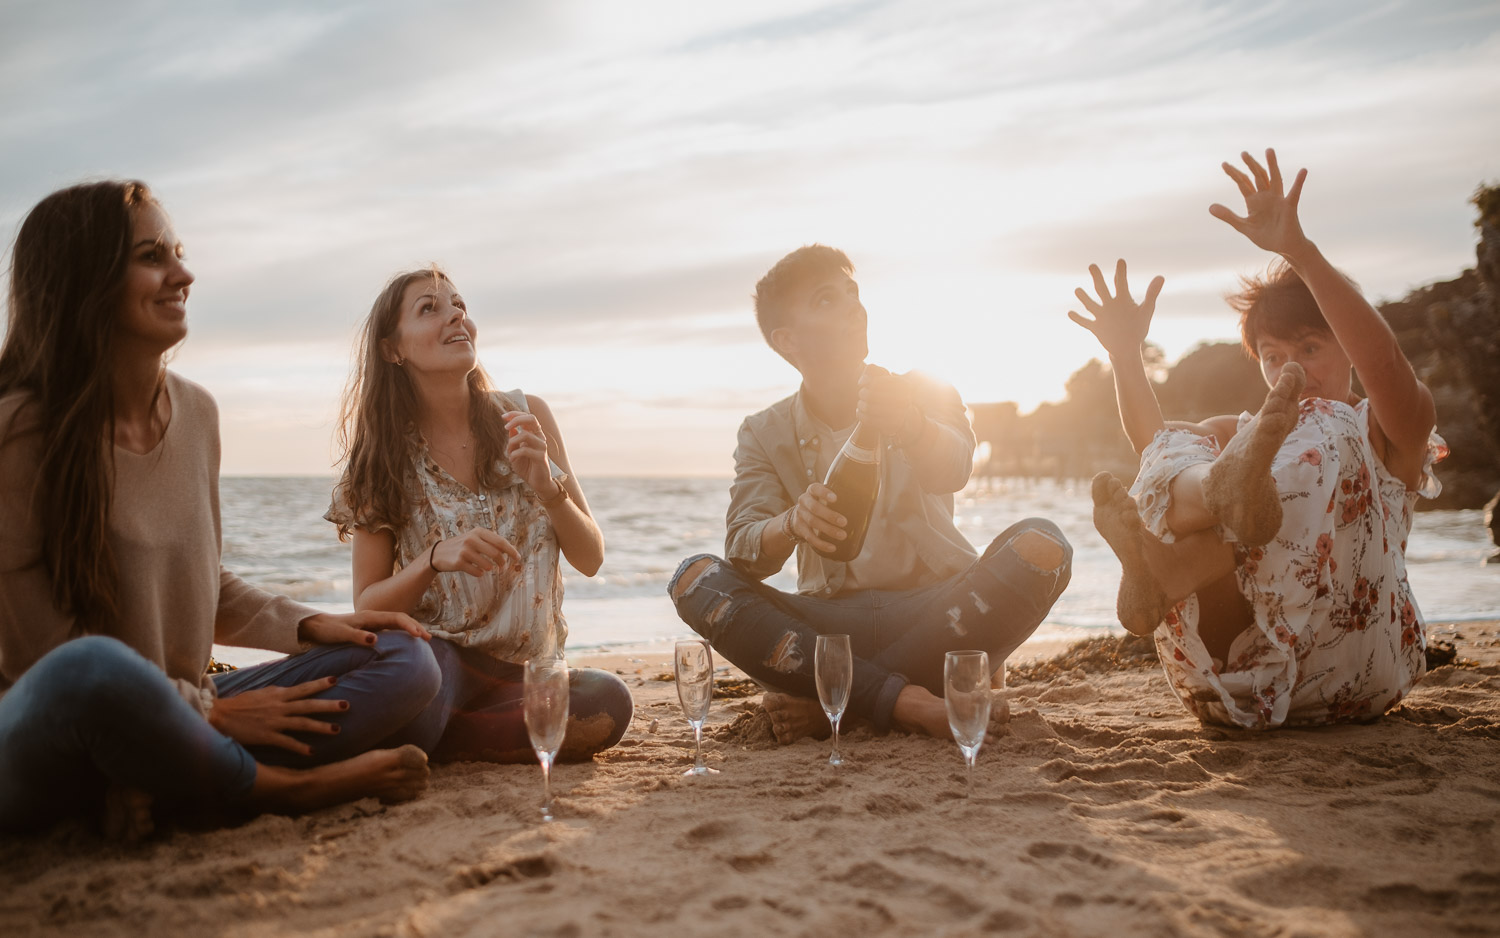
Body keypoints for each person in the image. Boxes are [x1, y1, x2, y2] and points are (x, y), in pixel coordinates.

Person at [0, 181, 437, 838]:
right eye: (152, 257)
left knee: (404, 658)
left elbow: (204, 581)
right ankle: (278, 788)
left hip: (189, 709)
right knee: (93, 666)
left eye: (176, 251)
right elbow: (42, 663)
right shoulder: (19, 433)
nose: (184, 274)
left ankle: (159, 783)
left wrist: (312, 624)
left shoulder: (197, 414)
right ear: (82, 282)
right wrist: (210, 713)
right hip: (52, 732)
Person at [1069, 149, 1446, 729]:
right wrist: (1125, 355)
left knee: (1321, 423)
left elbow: (1387, 365)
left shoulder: (1383, 430)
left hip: (1356, 671)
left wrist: (1300, 253)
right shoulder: (1251, 433)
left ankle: (1188, 548)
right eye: (1273, 356)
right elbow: (1155, 443)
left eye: (1310, 348)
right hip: (1235, 680)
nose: (1290, 369)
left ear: (1345, 346)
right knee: (1185, 446)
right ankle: (1193, 526)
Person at [669, 245, 1072, 743]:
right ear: (787, 339)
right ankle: (911, 700)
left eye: (852, 293)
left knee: (1044, 544)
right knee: (694, 579)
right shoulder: (761, 431)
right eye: (825, 300)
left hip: (939, 610)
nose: (853, 307)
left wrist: (909, 423)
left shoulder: (925, 389)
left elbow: (955, 468)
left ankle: (841, 700)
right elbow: (744, 550)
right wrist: (791, 523)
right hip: (829, 624)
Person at [326, 267, 632, 762]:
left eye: (459, 305)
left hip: (527, 670)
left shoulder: (526, 415)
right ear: (392, 349)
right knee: (420, 695)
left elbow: (591, 558)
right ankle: (469, 732)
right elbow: (367, 606)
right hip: (438, 661)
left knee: (608, 700)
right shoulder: (381, 458)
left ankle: (453, 738)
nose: (456, 317)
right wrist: (432, 559)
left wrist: (546, 487)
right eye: (430, 308)